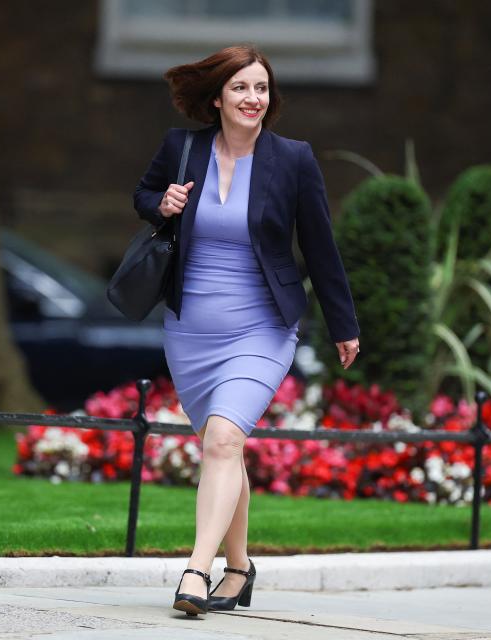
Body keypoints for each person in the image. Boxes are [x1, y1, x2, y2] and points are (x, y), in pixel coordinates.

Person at [132, 44, 360, 617]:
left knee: (224, 440)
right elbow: (142, 196)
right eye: (240, 88)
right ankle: (238, 570)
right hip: (191, 327)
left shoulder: (294, 159)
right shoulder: (181, 149)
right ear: (217, 98)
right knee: (221, 449)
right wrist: (162, 202)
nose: (252, 98)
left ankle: (195, 571)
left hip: (262, 326)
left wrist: (343, 325)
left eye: (261, 88)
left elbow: (320, 245)